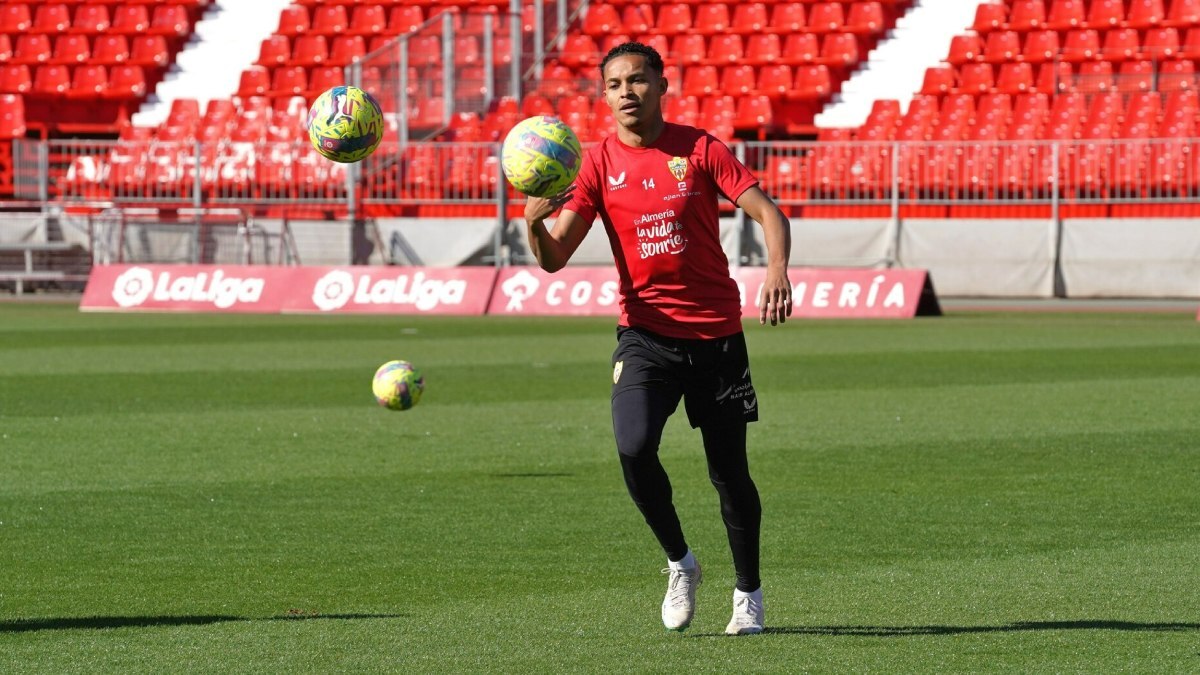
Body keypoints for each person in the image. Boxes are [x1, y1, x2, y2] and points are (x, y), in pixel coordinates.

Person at [522, 41, 793, 635]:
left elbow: (771, 214)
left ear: (662, 85)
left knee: (729, 473)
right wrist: (532, 223)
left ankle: (747, 593)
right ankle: (681, 562)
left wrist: (775, 269)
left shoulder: (699, 149)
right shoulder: (594, 163)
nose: (626, 92)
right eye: (614, 83)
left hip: (716, 334)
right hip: (644, 335)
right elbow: (554, 259)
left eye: (638, 80)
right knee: (633, 447)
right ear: (605, 94)